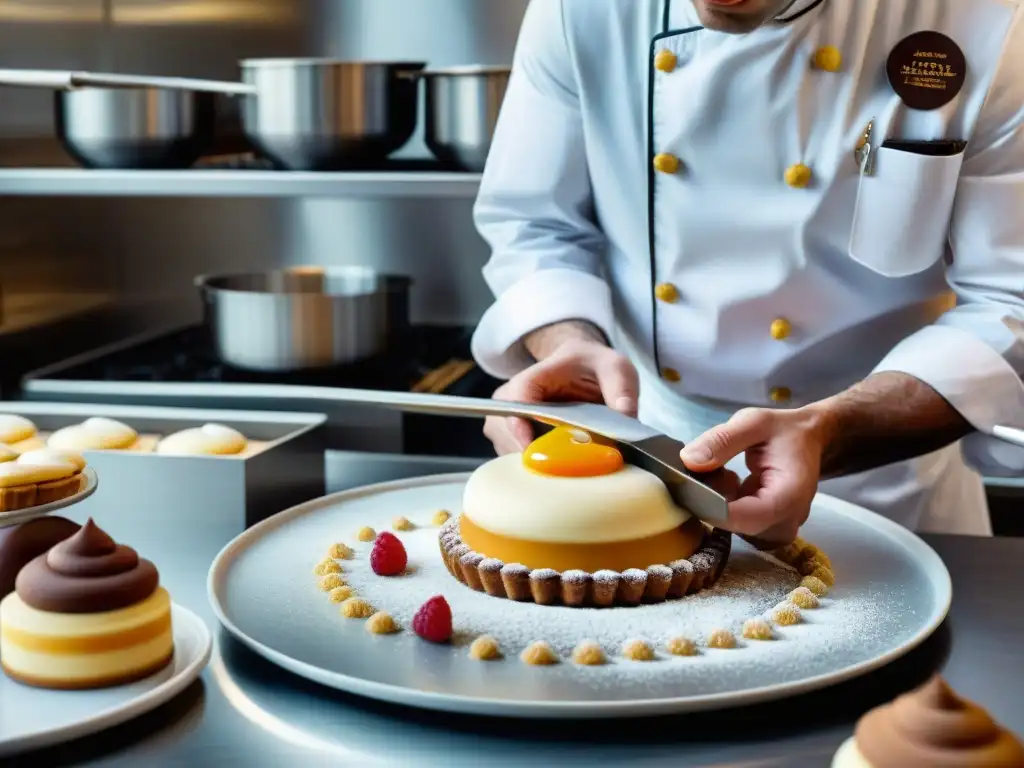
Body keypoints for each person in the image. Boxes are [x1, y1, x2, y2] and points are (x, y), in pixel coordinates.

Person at [469, 0, 1024, 543]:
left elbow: (1011, 304)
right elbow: (535, 223)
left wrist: (829, 432)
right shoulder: (578, 9)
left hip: (890, 489)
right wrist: (567, 342)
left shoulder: (989, 20)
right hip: (651, 470)